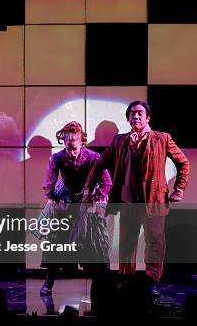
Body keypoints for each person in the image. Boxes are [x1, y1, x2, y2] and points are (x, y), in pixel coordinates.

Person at [84, 101, 190, 298]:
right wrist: (88, 190)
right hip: (128, 200)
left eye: (140, 113)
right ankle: (126, 281)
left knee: (155, 242)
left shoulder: (162, 138)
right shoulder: (119, 140)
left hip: (154, 199)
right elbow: (99, 164)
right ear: (128, 118)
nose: (136, 117)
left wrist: (179, 189)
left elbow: (183, 163)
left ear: (148, 117)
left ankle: (152, 281)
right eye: (132, 113)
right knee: (127, 243)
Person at [39, 121, 112, 296]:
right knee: (57, 242)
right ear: (64, 142)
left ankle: (102, 286)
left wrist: (94, 198)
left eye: (74, 148)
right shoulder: (57, 158)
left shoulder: (93, 157)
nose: (71, 153)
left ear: (81, 143)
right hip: (67, 200)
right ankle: (49, 282)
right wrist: (56, 200)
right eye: (68, 148)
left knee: (95, 243)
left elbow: (106, 182)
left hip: (88, 201)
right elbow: (48, 184)